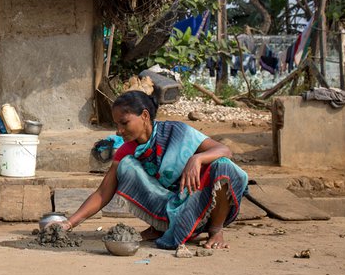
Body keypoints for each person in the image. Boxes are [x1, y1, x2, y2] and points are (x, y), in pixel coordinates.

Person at [58, 91, 248, 249]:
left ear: (145, 116)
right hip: (167, 208)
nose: (119, 131)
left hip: (200, 205)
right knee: (125, 166)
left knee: (223, 165)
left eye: (124, 123)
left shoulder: (177, 131)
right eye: (116, 124)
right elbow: (102, 193)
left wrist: (197, 158)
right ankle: (161, 226)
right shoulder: (126, 150)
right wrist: (68, 223)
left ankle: (216, 231)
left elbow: (225, 150)